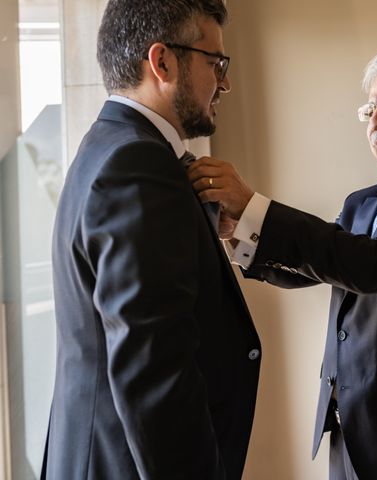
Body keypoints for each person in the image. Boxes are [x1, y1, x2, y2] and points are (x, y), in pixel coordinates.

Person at [189, 53, 377, 479]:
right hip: (349, 430)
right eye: (370, 109)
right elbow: (323, 264)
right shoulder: (362, 202)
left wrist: (256, 206)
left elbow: (375, 267)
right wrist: (240, 229)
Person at [42, 1, 261, 478]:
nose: (225, 82)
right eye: (215, 63)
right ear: (162, 62)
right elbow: (154, 371)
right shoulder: (139, 165)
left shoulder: (107, 145)